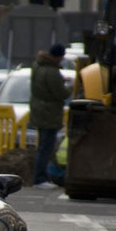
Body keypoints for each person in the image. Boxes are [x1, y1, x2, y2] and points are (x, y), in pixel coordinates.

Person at [29, 43, 72, 189]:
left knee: (42, 145)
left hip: (39, 111)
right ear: (59, 56)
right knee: (46, 146)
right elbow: (61, 93)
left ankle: (41, 177)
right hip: (49, 113)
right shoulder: (52, 71)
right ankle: (40, 178)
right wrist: (69, 87)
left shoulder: (38, 66)